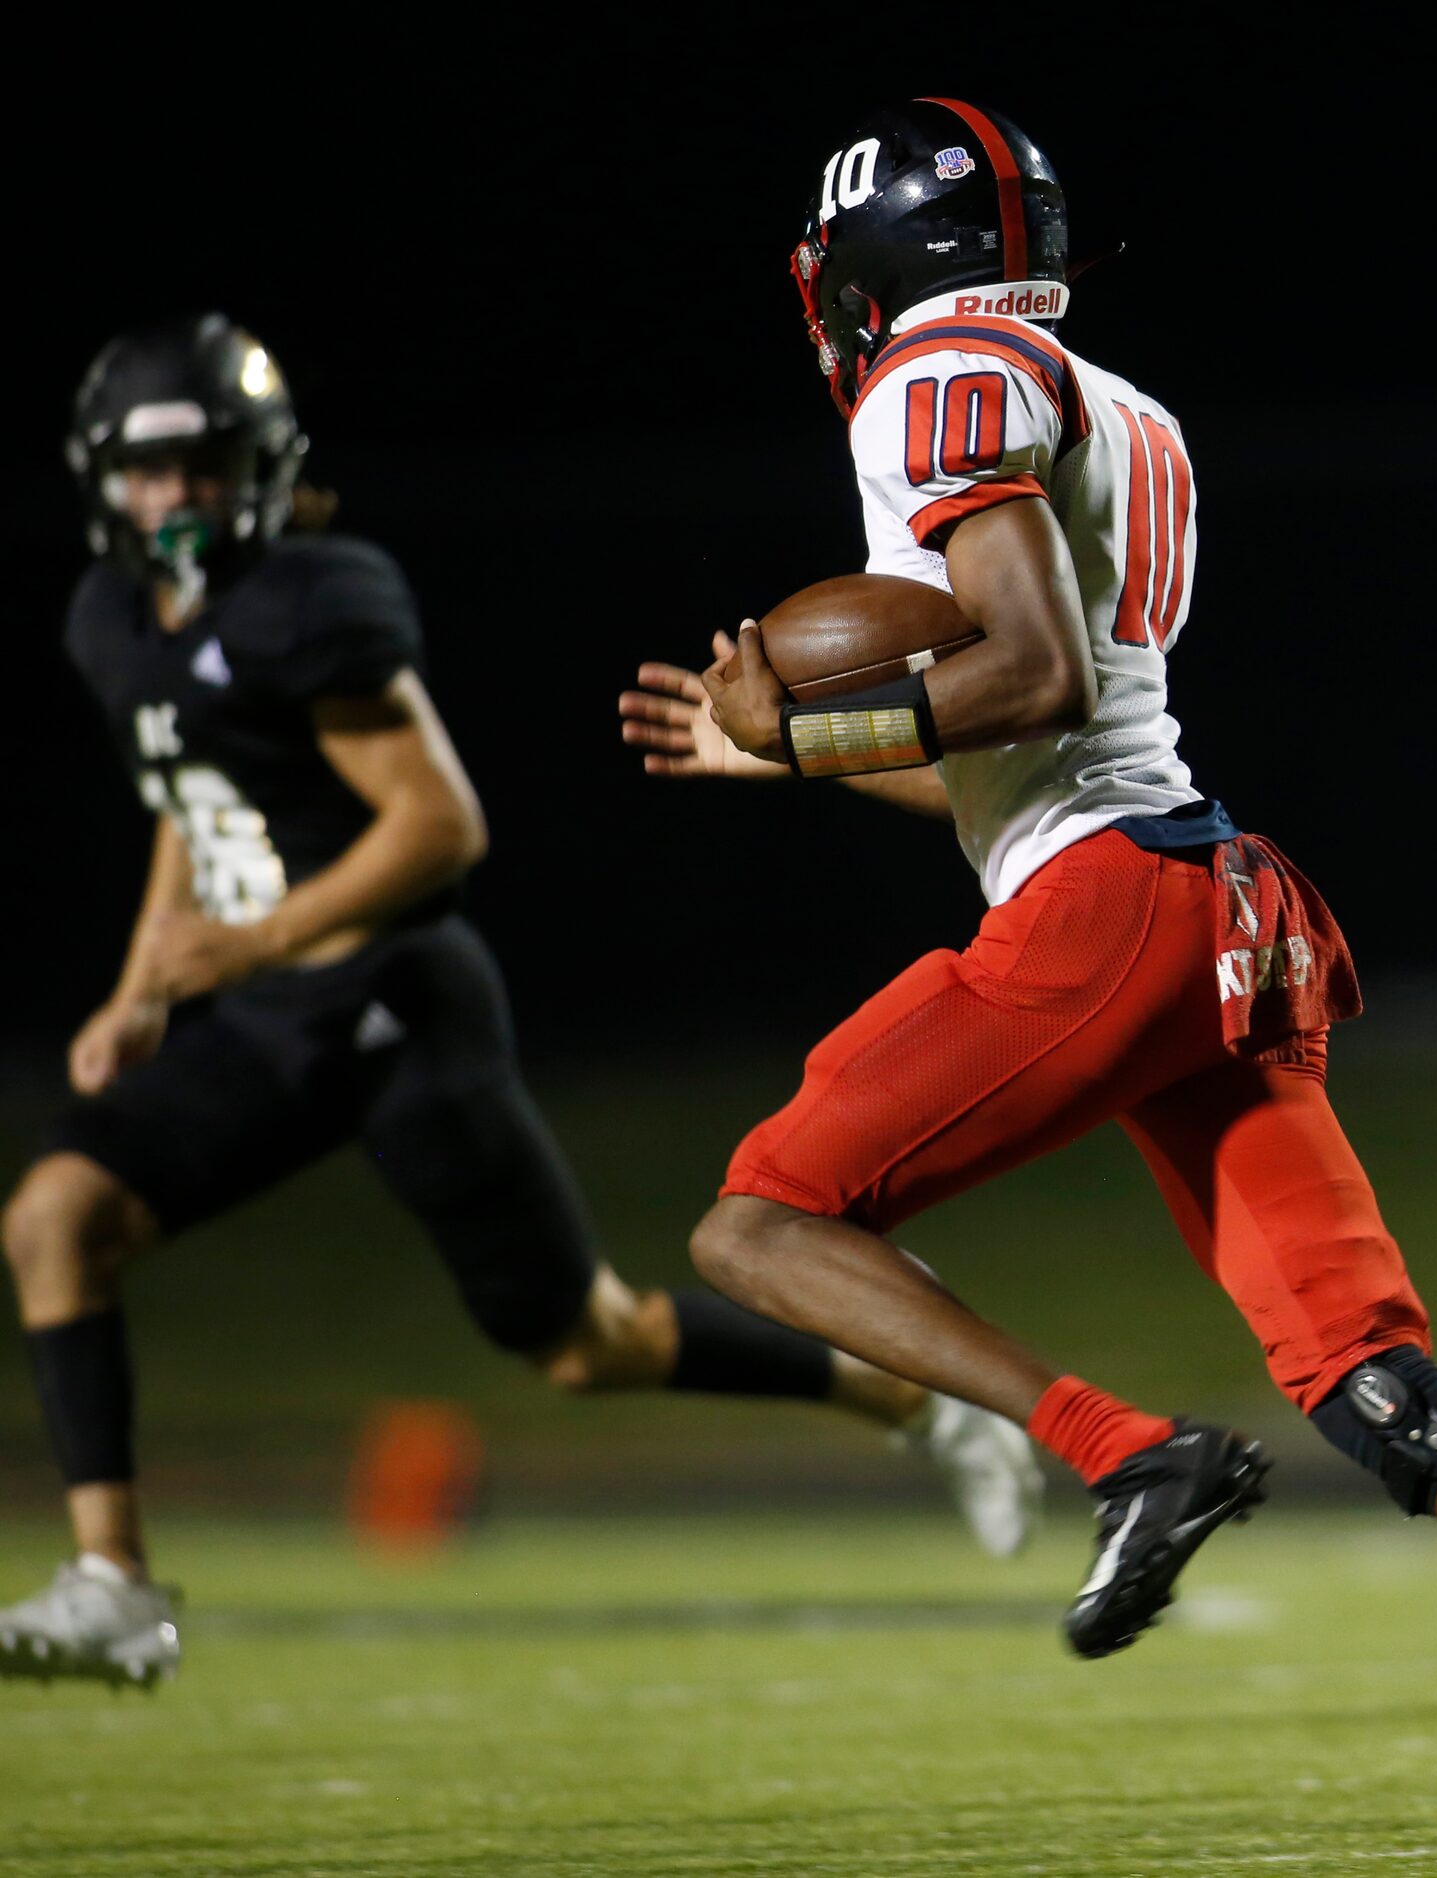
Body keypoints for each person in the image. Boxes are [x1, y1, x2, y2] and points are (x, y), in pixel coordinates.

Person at [620, 102, 1437, 1857]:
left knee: (758, 1223)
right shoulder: (1115, 405)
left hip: (1113, 913)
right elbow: (1025, 757)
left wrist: (813, 712)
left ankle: (1120, 1451)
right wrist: (790, 757)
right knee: (1365, 1371)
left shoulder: (928, 379)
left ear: (864, 266)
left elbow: (1026, 679)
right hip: (1211, 899)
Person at [0, 314, 1041, 1692]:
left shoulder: (310, 597)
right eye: (153, 473)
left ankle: (911, 1391)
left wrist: (242, 948)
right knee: (54, 1217)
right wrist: (143, 988)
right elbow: (196, 804)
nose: (178, 499)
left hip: (391, 1006)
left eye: (203, 465)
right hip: (265, 1020)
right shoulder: (110, 620)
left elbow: (437, 827)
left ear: (255, 465)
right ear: (101, 482)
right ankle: (114, 1582)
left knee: (587, 1344)